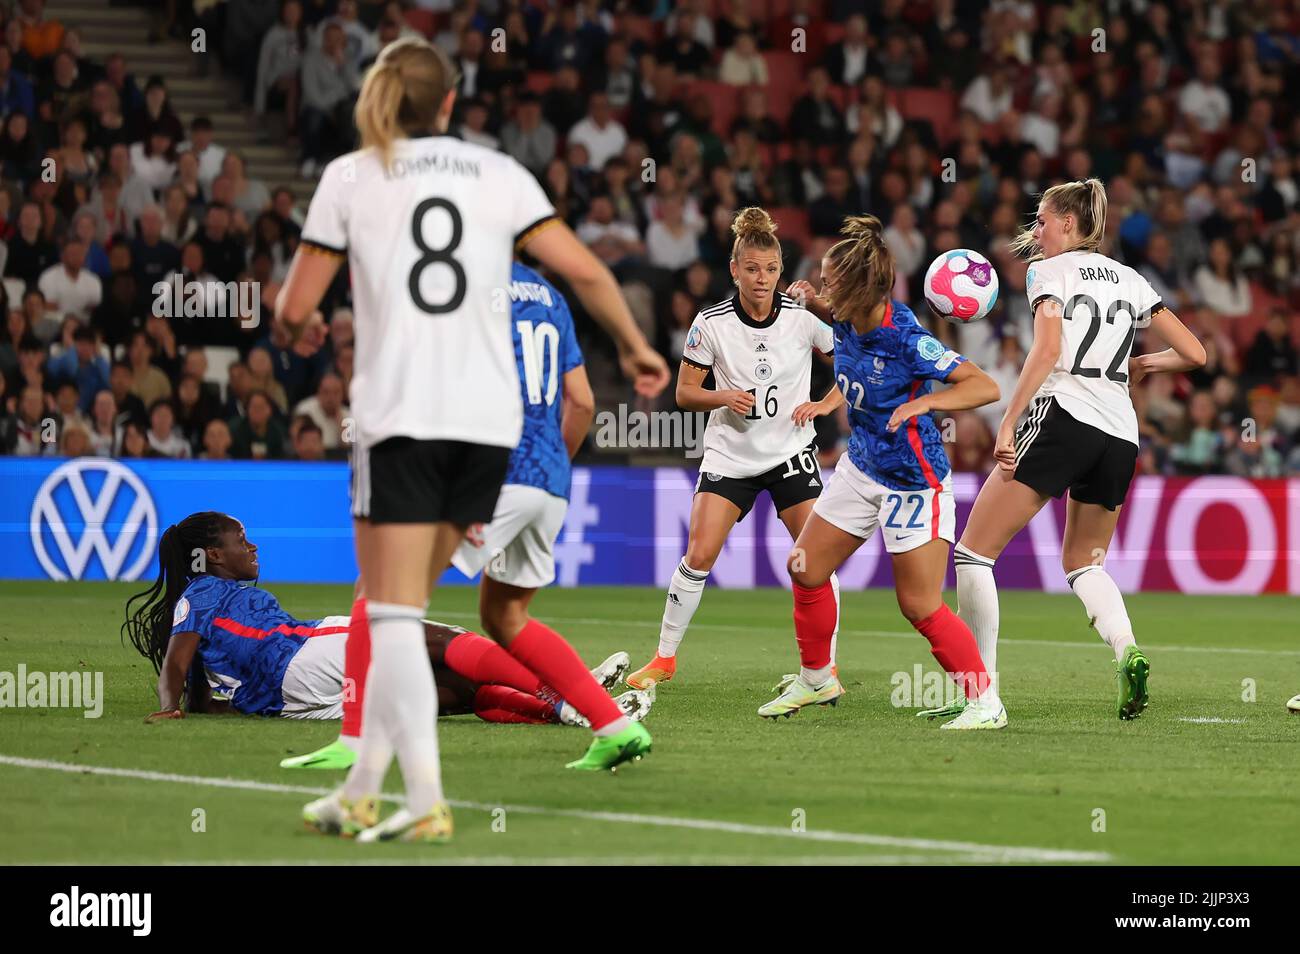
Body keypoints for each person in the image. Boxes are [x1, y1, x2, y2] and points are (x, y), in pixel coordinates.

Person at [273, 37, 668, 844]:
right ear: (451, 104)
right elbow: (589, 272)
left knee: (386, 613)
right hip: (491, 430)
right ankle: (366, 791)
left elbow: (293, 306)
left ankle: (410, 796)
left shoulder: (350, 176)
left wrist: (300, 328)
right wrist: (634, 343)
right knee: (426, 611)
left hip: (402, 417)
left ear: (381, 99)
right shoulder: (502, 175)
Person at [286, 262, 656, 770]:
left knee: (376, 588)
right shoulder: (550, 295)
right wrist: (547, 470)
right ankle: (614, 726)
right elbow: (584, 403)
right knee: (505, 618)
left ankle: (353, 740)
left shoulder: (463, 284)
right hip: (549, 480)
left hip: (492, 473)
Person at [951, 180, 1205, 724]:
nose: (1036, 231)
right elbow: (1195, 352)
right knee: (1084, 563)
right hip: (1120, 433)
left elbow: (1046, 351)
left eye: (1042, 220)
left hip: (1064, 416)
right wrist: (1142, 365)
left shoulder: (1049, 272)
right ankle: (1126, 649)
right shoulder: (1131, 278)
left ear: (1069, 223)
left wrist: (1008, 421)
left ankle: (980, 697)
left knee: (973, 553)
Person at [759, 216, 1005, 728]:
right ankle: (816, 677)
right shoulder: (846, 315)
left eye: (830, 283)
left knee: (919, 605)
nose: (824, 291)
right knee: (804, 567)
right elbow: (841, 343)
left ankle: (985, 702)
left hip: (915, 481)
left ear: (859, 289)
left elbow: (983, 387)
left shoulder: (907, 338)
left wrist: (924, 405)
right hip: (861, 465)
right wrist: (813, 305)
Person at [124, 513, 649, 735]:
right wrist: (168, 706)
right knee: (433, 638)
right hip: (299, 654)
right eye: (242, 539)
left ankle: (560, 711)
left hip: (295, 703)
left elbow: (202, 691)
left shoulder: (215, 599)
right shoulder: (202, 591)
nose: (252, 545)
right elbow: (176, 660)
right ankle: (568, 691)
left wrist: (219, 706)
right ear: (213, 555)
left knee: (450, 693)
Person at [626, 208, 843, 691]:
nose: (762, 279)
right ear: (734, 270)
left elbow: (852, 358)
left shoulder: (802, 320)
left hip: (790, 453)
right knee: (699, 554)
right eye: (752, 269)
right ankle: (664, 659)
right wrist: (723, 396)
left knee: (814, 561)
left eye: (770, 269)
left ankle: (824, 669)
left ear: (780, 271)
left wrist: (825, 404)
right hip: (731, 456)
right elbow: (684, 394)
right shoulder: (711, 324)